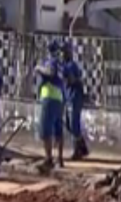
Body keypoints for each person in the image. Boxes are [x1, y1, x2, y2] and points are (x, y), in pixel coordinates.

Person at [36, 40, 66, 168]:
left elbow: (50, 72)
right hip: (59, 98)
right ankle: (60, 159)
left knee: (45, 131)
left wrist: (38, 68)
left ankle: (48, 159)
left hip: (49, 97)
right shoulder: (61, 64)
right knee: (58, 129)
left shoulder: (51, 61)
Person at [60, 43, 89, 160]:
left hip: (74, 97)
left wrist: (64, 75)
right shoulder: (66, 65)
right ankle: (82, 147)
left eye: (64, 52)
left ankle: (77, 150)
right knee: (68, 124)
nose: (62, 55)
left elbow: (72, 80)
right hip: (69, 97)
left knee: (73, 123)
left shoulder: (70, 66)